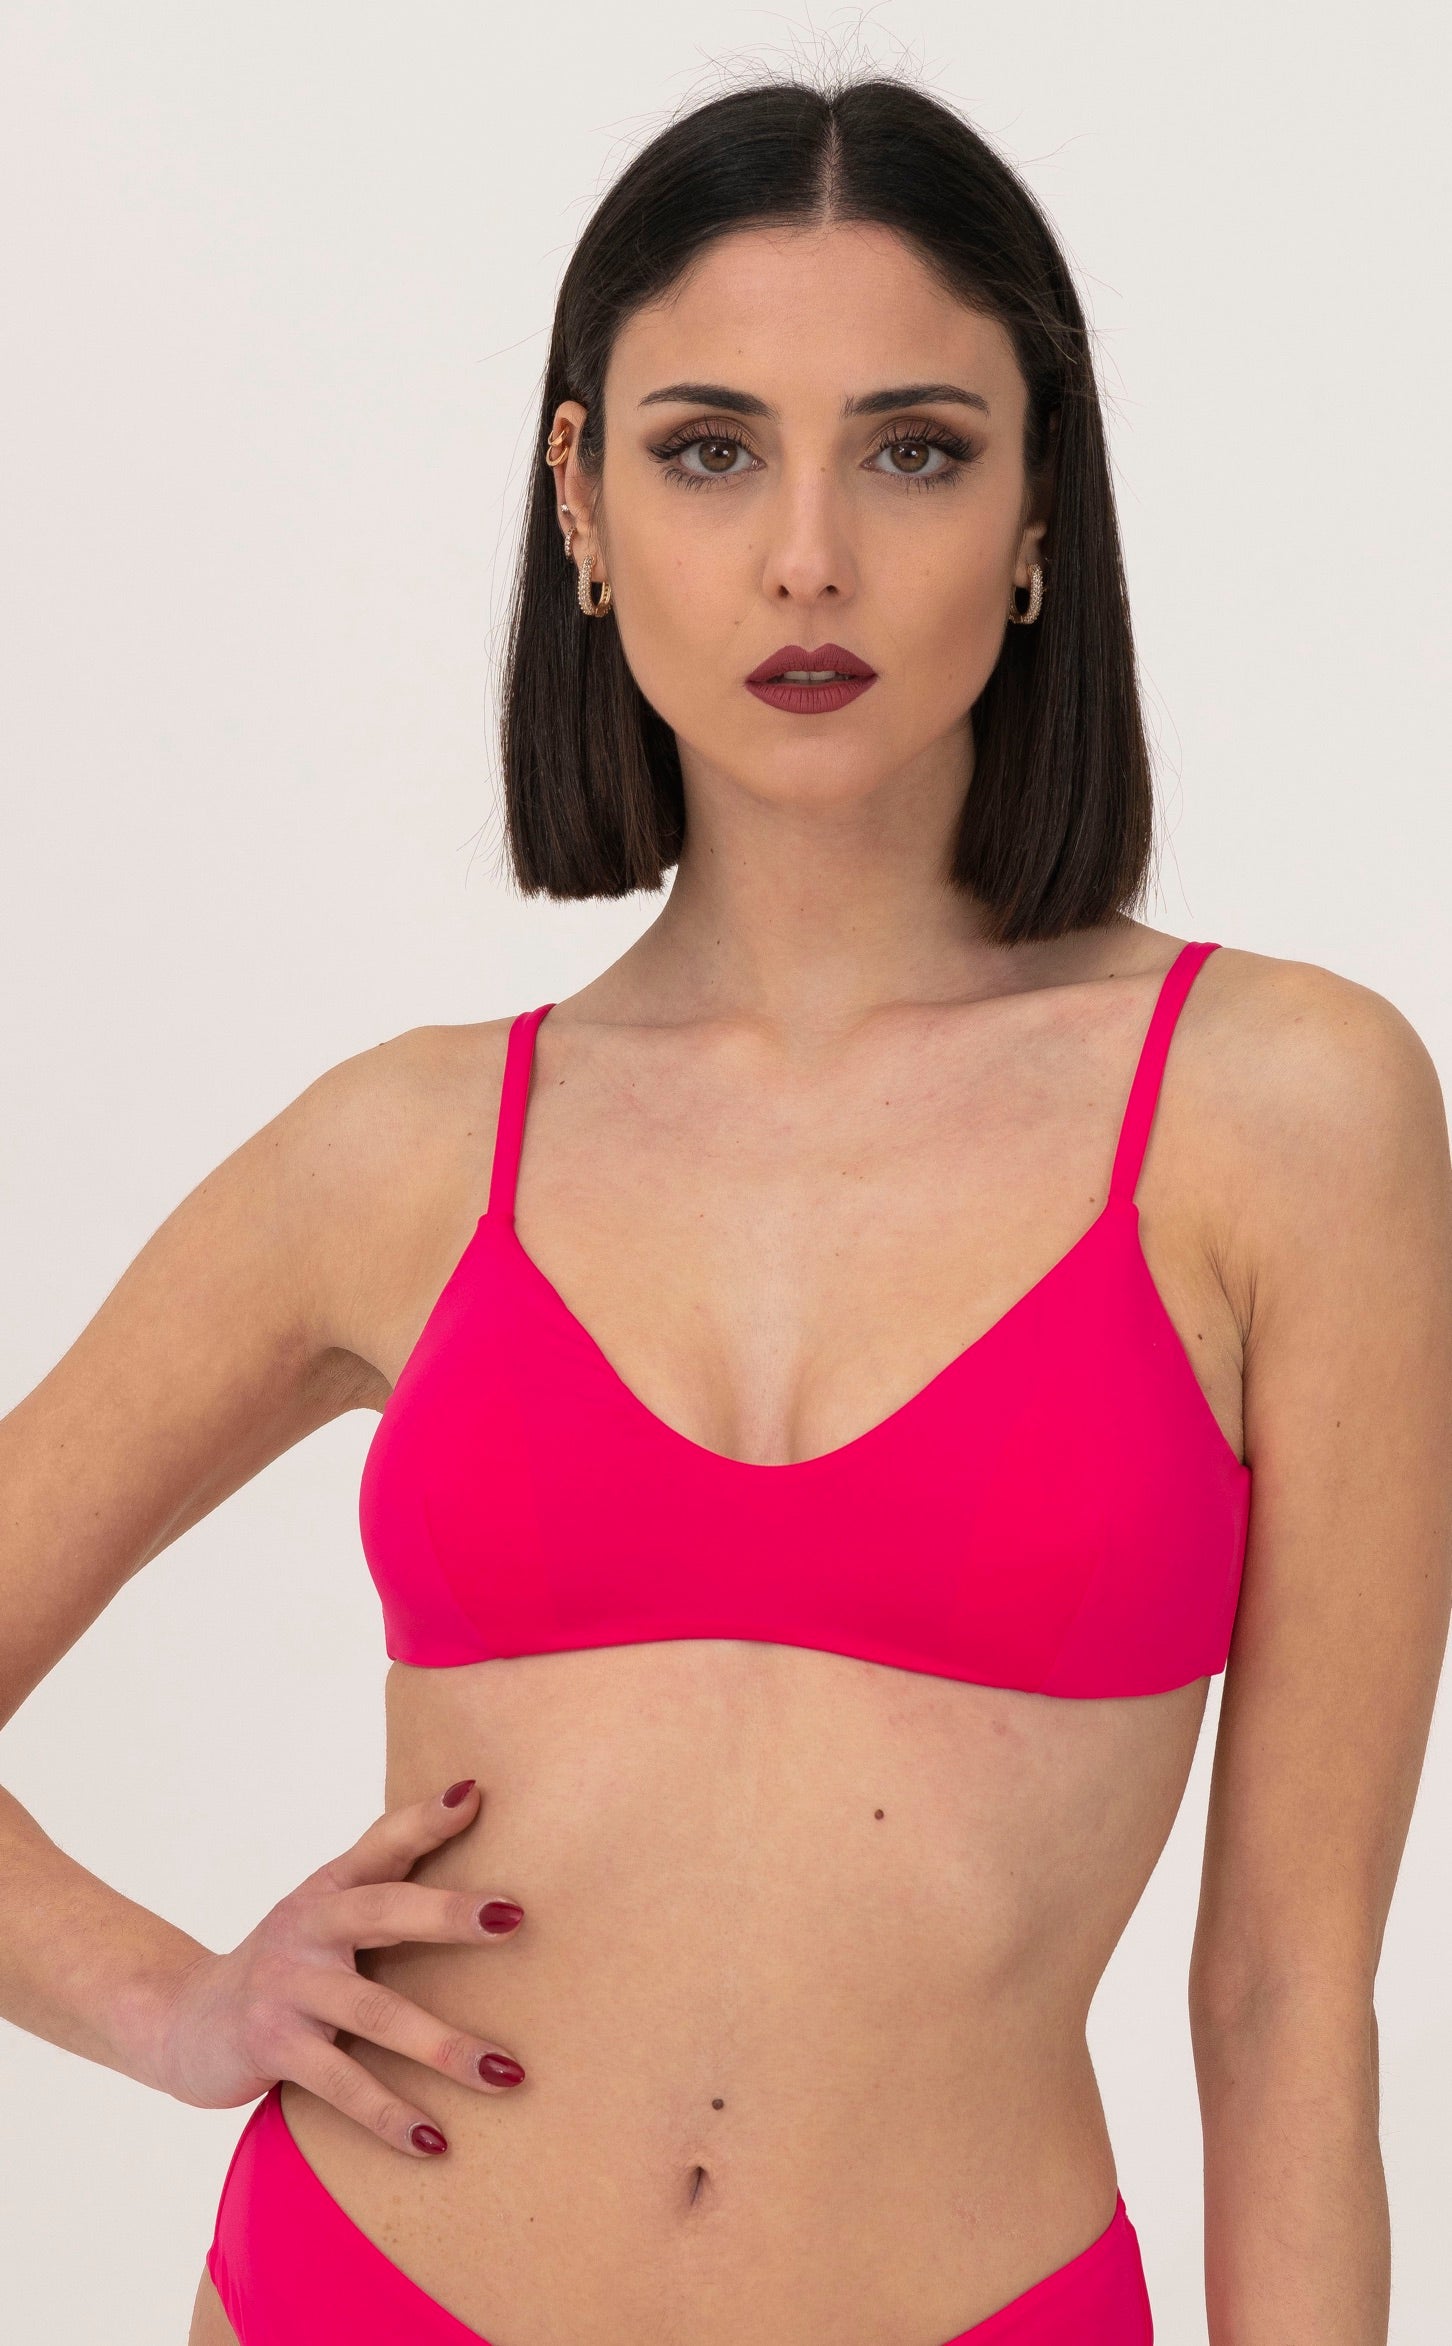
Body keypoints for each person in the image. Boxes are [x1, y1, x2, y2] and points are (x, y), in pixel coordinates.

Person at [2, 70, 1449, 2346]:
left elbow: (1284, 1996)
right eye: (708, 450)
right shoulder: (404, 1149)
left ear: (1041, 508)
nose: (807, 556)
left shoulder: (1285, 1112)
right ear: (580, 504)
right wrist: (170, 2004)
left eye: (914, 449)